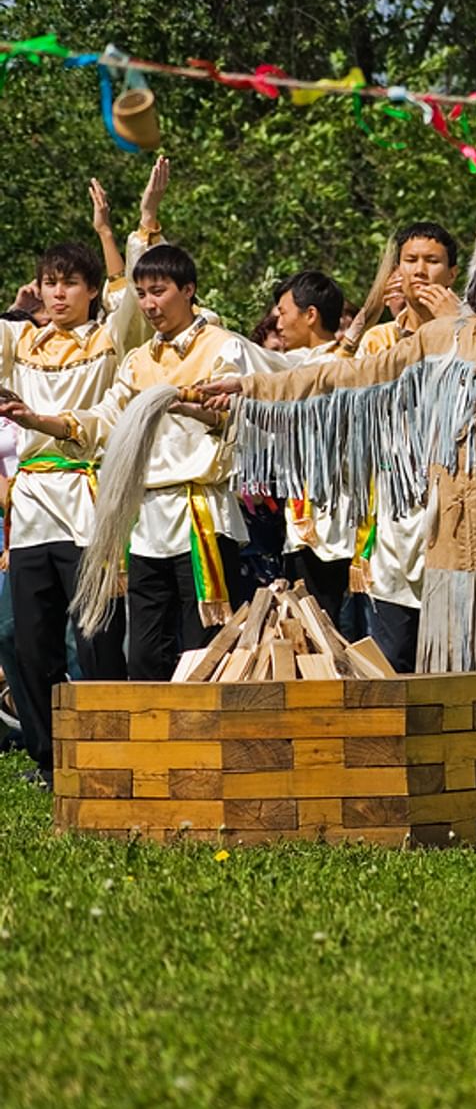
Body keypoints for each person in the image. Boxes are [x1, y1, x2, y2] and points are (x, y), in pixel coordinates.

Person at [202, 209, 476, 837]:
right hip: (453, 533)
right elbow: (347, 377)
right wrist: (251, 387)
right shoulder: (444, 337)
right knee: (474, 665)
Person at [6, 244, 282, 682]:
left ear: (188, 290)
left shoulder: (223, 347)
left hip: (201, 515)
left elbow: (263, 402)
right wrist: (40, 421)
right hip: (147, 519)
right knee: (145, 656)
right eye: (142, 294)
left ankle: (202, 746)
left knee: (202, 650)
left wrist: (201, 410)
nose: (150, 304)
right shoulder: (138, 361)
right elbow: (105, 421)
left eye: (159, 291)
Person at [0, 180, 142, 785]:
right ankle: (48, 756)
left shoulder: (108, 340)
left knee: (97, 637)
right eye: (50, 282)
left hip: (86, 506)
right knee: (29, 643)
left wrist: (114, 231)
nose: (58, 293)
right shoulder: (18, 338)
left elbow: (131, 294)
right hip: (31, 507)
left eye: (70, 283)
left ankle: (109, 748)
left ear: (89, 293)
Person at [352, 222, 462, 671]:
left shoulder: (470, 333)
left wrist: (451, 326)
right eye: (411, 260)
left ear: (452, 274)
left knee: (451, 658)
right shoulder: (378, 341)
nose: (421, 271)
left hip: (452, 504)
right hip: (394, 512)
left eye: (432, 262)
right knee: (392, 655)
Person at [270, 270, 354, 628]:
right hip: (299, 523)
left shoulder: (347, 366)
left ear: (311, 314)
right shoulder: (289, 367)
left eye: (283, 311)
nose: (277, 321)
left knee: (340, 634)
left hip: (341, 527)